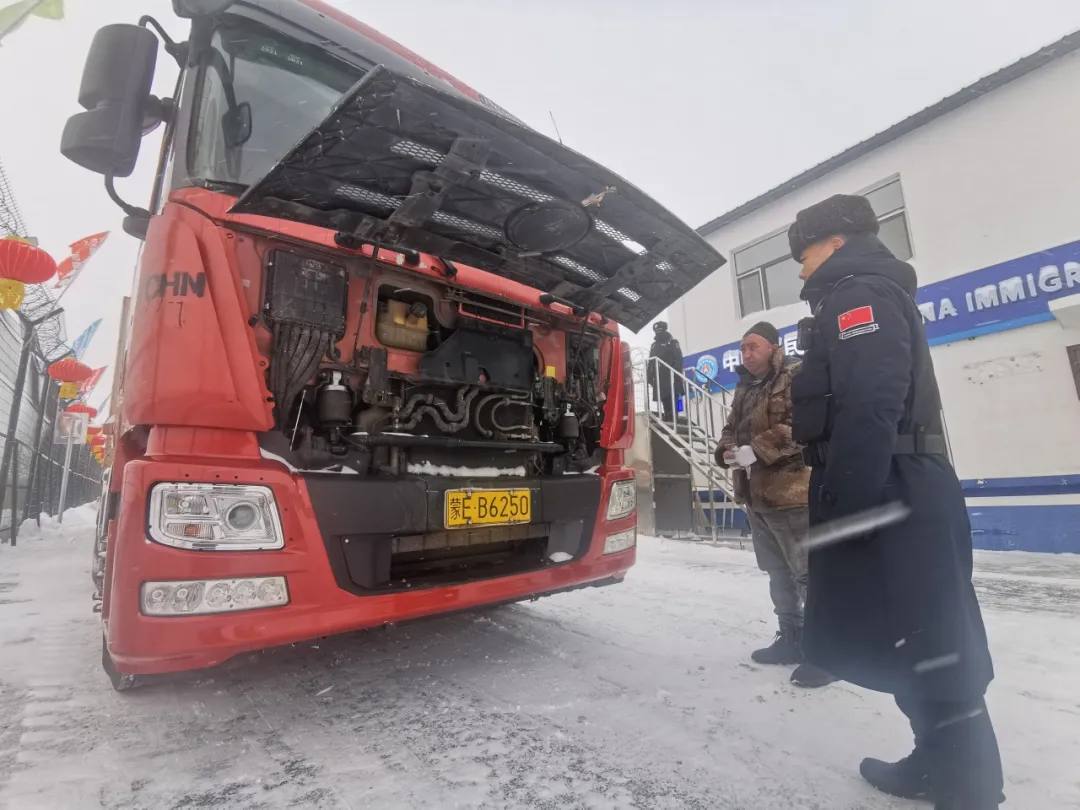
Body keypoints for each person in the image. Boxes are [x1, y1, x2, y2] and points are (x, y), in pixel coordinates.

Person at [788, 194, 1003, 809]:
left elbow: (871, 402)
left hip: (890, 484)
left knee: (933, 640)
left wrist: (851, 504)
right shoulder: (857, 293)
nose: (801, 269)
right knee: (909, 636)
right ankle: (933, 761)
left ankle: (969, 788)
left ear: (834, 242)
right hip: (890, 480)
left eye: (804, 255)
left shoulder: (858, 295)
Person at [715, 322, 833, 688]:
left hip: (791, 494)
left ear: (773, 347)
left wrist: (756, 450)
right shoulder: (745, 387)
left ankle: (825, 653)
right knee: (777, 572)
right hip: (757, 497)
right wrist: (728, 451)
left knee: (807, 574)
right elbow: (730, 427)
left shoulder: (794, 376)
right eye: (743, 348)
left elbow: (802, 425)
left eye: (753, 346)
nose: (746, 353)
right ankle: (791, 639)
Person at [648, 321, 684, 421]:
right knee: (665, 400)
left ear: (664, 330)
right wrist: (649, 376)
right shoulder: (654, 345)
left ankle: (674, 417)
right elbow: (651, 362)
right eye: (656, 331)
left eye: (660, 330)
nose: (658, 333)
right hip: (660, 379)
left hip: (672, 378)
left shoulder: (672, 343)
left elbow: (678, 359)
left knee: (674, 400)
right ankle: (668, 417)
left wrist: (675, 374)